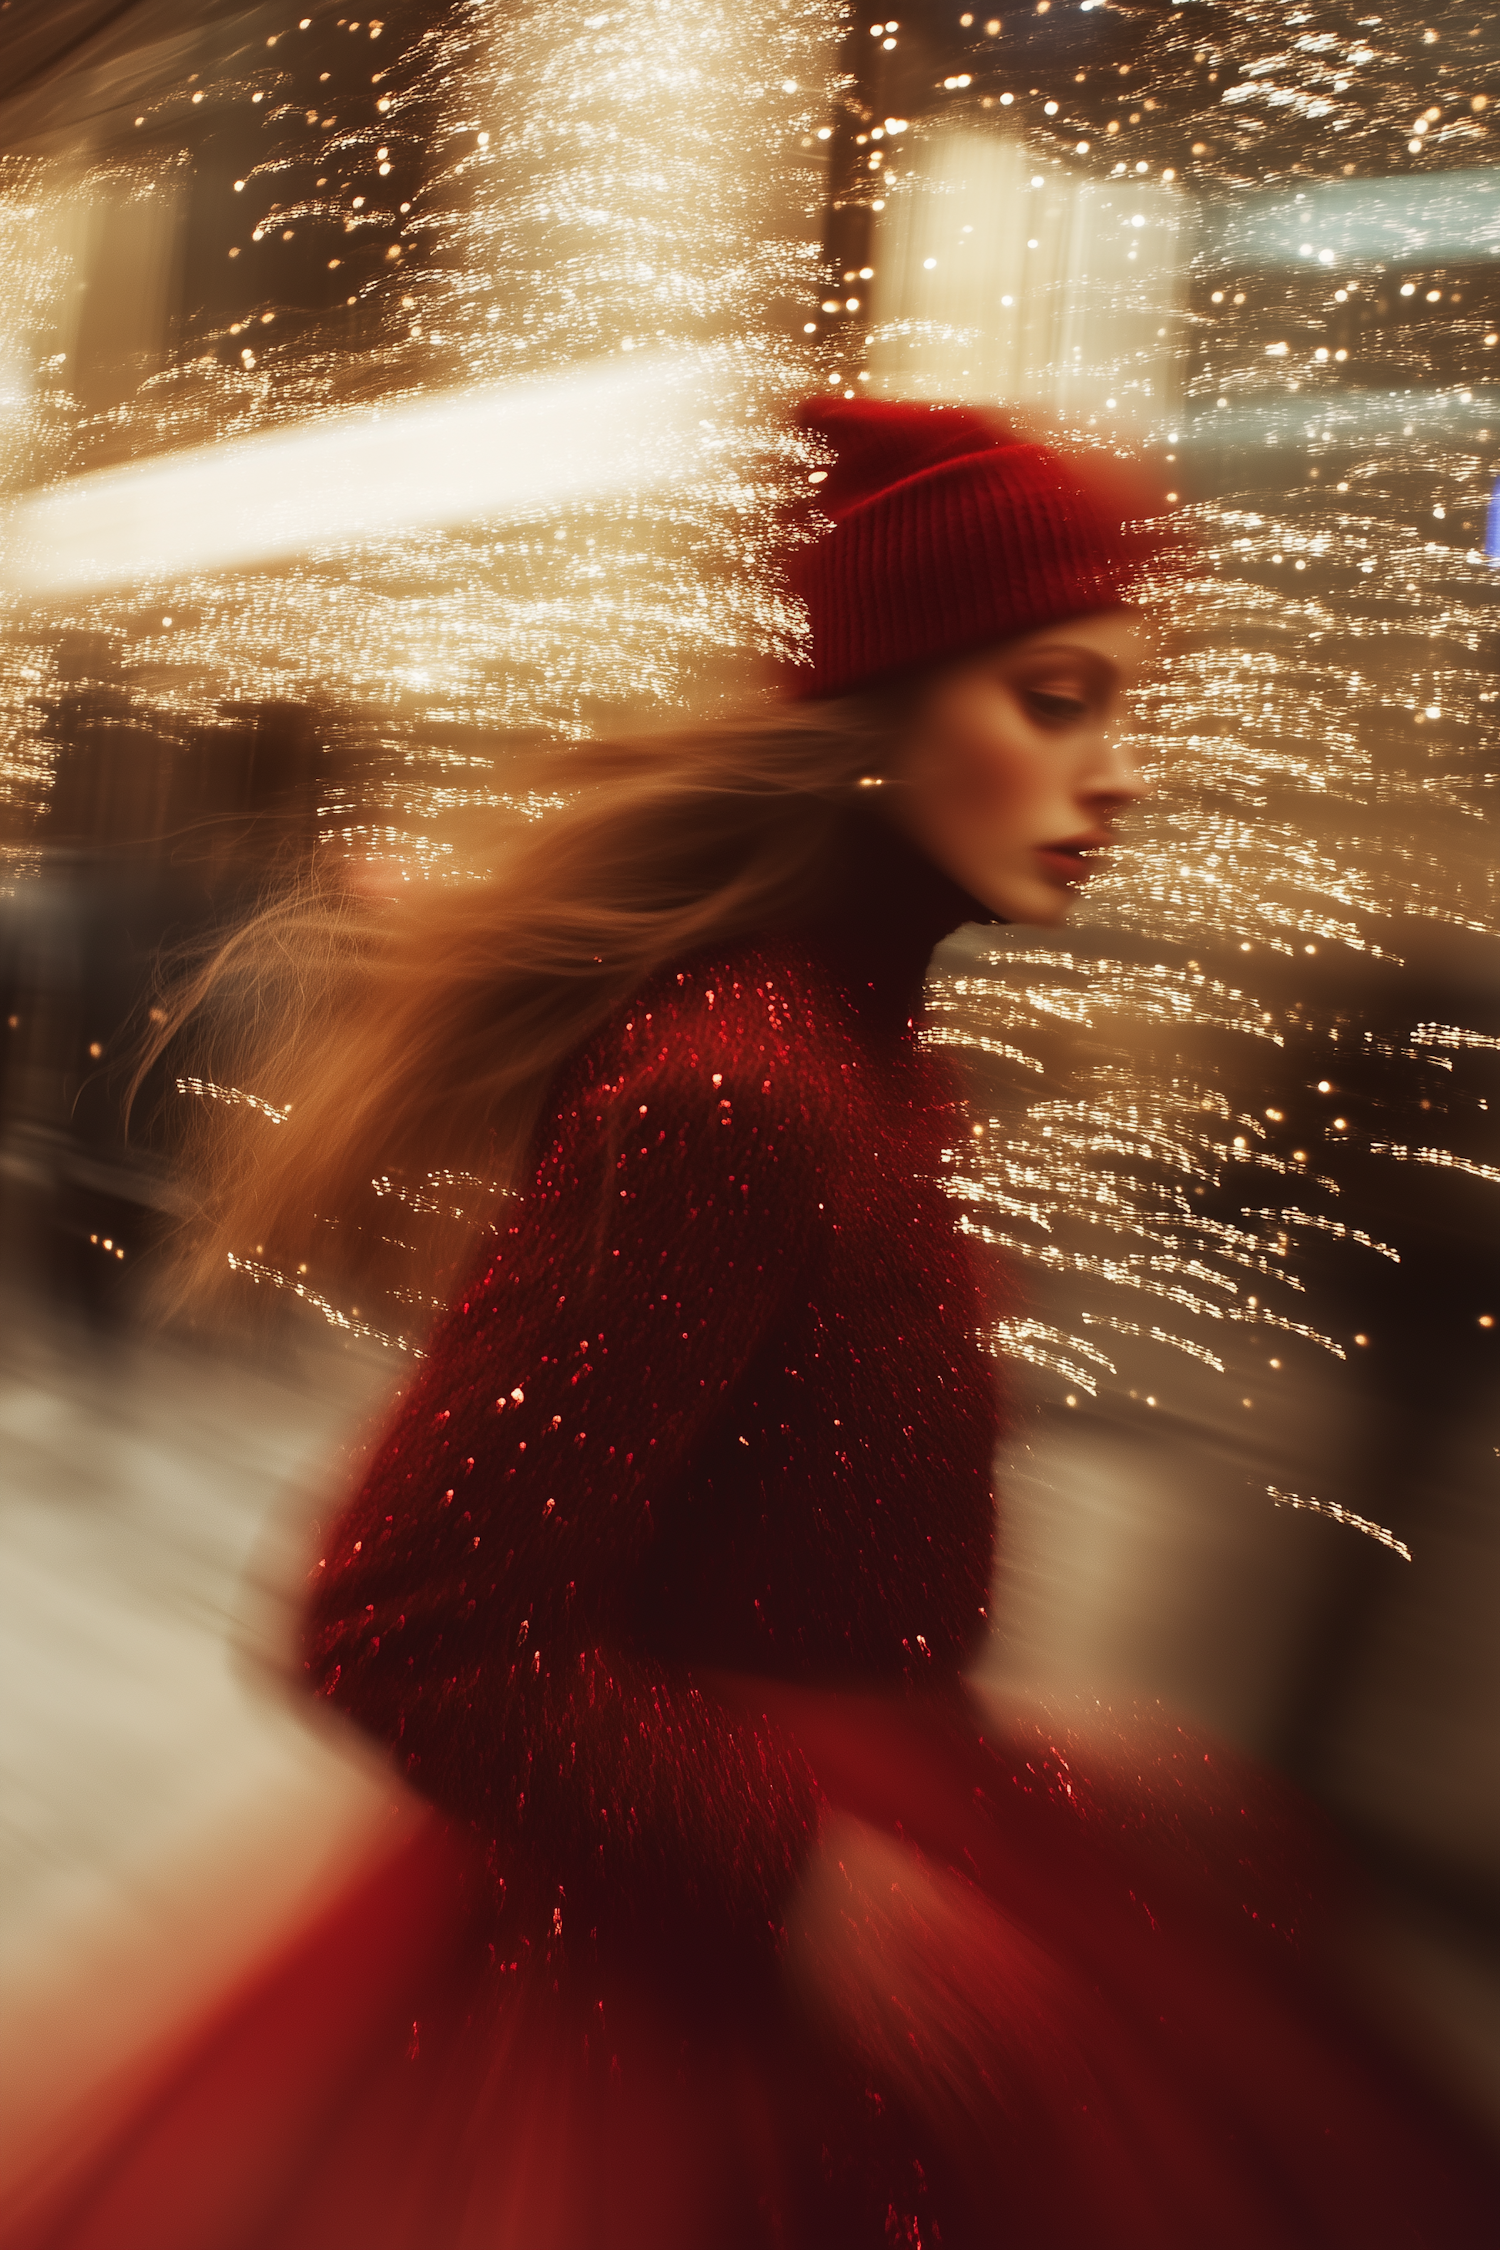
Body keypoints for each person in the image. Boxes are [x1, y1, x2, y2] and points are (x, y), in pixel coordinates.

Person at [16, 402, 1495, 2249]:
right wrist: (816, 1881)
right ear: (882, 720)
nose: (1112, 772)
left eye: (1126, 705)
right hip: (670, 2014)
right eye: (1052, 698)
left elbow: (800, 1564)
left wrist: (1012, 1776)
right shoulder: (739, 1088)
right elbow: (409, 1625)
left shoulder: (873, 1064)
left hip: (867, 1891)